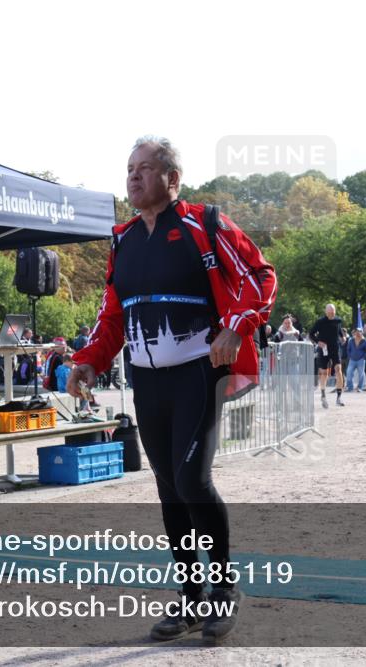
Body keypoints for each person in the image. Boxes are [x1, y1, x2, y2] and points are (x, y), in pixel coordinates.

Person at [68, 136, 276, 642]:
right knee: (167, 488)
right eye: (129, 169)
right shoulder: (122, 240)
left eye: (145, 168)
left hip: (196, 375)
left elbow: (259, 275)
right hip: (146, 379)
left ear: (171, 179)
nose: (133, 177)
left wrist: (237, 326)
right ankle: (190, 598)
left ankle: (224, 589)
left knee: (191, 481)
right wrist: (88, 361)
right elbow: (112, 314)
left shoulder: (204, 224)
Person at [309, 304, 345, 408]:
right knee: (324, 373)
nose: (331, 315)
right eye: (329, 313)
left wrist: (343, 337)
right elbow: (311, 334)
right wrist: (318, 342)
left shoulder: (338, 320)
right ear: (326, 312)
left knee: (339, 370)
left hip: (335, 348)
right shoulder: (320, 322)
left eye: (333, 313)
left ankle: (339, 397)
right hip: (323, 348)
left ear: (335, 312)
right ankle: (323, 395)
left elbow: (339, 330)